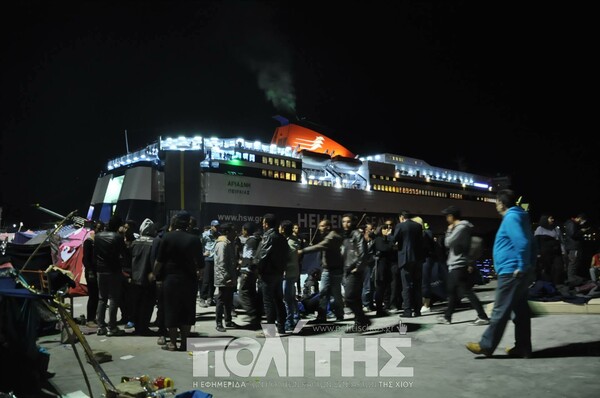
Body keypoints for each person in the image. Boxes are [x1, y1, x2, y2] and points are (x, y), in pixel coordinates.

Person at [466, 189, 534, 358]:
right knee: (521, 312)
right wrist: (529, 266)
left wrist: (522, 265)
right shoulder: (521, 216)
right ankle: (523, 348)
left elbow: (523, 243)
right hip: (518, 271)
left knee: (500, 310)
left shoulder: (511, 217)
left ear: (501, 203)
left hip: (511, 272)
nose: (495, 205)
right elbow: (532, 243)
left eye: (496, 202)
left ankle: (486, 345)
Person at [151, 211, 204, 351]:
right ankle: (185, 343)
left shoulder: (167, 237)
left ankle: (173, 343)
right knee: (187, 310)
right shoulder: (194, 239)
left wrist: (154, 274)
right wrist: (198, 276)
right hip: (189, 280)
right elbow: (201, 265)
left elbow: (159, 261)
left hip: (171, 280)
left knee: (171, 309)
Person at [436, 206, 489, 325]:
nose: (446, 219)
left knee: (465, 291)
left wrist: (449, 230)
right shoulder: (461, 227)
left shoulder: (461, 228)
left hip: (458, 264)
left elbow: (448, 242)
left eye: (447, 216)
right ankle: (447, 317)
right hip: (457, 264)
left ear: (451, 216)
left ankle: (482, 316)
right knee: (453, 291)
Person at [299, 219, 345, 323]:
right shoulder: (329, 236)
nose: (319, 228)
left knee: (335, 294)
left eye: (322, 226)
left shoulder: (332, 237)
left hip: (333, 271)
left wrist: (303, 251)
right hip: (327, 270)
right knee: (324, 293)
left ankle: (338, 315)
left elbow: (319, 246)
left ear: (328, 227)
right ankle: (322, 316)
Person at [254, 213, 288, 336]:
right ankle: (282, 327)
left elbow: (262, 256)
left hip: (268, 274)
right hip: (279, 273)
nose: (262, 225)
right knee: (279, 300)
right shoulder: (282, 238)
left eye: (263, 222)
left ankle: (270, 331)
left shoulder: (268, 237)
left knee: (268, 302)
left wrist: (256, 267)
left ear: (267, 224)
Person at [94, 215, 128, 336]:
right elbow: (124, 253)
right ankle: (112, 327)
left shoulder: (97, 236)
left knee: (102, 298)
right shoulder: (117, 237)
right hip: (114, 270)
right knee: (113, 298)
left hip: (100, 270)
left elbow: (95, 254)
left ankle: (100, 326)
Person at [392, 210, 424, 318]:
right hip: (418, 258)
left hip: (405, 259)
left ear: (401, 217)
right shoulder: (418, 226)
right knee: (417, 285)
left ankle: (407, 310)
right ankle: (417, 310)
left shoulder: (400, 226)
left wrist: (388, 236)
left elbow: (394, 239)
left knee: (406, 286)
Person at [341, 214, 370, 332]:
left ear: (353, 222)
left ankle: (363, 320)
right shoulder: (345, 236)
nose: (345, 224)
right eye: (343, 222)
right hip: (346, 270)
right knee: (356, 298)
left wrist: (357, 268)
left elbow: (363, 252)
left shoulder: (357, 234)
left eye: (348, 222)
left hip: (354, 270)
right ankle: (359, 323)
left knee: (349, 297)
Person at [214, 223, 238, 332]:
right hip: (224, 277)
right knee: (221, 299)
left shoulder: (228, 243)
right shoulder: (222, 244)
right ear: (227, 232)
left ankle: (228, 320)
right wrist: (226, 277)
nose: (235, 234)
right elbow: (220, 263)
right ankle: (219, 322)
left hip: (229, 276)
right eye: (233, 231)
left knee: (228, 299)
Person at [82, 221, 104, 327]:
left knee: (97, 296)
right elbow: (85, 259)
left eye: (101, 229)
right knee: (93, 296)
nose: (99, 231)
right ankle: (90, 319)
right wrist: (90, 271)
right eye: (98, 229)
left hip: (99, 272)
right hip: (91, 272)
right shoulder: (89, 242)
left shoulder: (99, 241)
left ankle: (94, 318)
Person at [280, 220, 301, 332]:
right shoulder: (291, 241)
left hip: (288, 274)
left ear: (283, 229)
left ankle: (290, 322)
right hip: (291, 273)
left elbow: (289, 259)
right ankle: (296, 316)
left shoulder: (290, 243)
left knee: (287, 298)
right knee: (291, 297)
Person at [534, 214, 565, 286]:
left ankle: (557, 284)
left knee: (558, 268)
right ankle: (548, 285)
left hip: (557, 253)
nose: (552, 220)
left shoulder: (556, 229)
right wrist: (537, 253)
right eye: (550, 218)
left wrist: (563, 251)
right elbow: (536, 242)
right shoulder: (539, 229)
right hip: (545, 254)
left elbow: (561, 241)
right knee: (547, 270)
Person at [564, 213, 590, 285]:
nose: (583, 222)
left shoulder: (573, 224)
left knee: (574, 263)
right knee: (573, 263)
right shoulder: (571, 223)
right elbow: (573, 234)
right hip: (573, 247)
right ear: (580, 218)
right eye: (583, 220)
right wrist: (582, 231)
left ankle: (573, 279)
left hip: (574, 247)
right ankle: (572, 280)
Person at [200, 220, 220, 307]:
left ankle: (210, 298)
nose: (216, 228)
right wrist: (203, 254)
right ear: (211, 226)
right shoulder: (205, 235)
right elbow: (199, 246)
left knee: (214, 280)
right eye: (215, 226)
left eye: (217, 226)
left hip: (216, 260)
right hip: (208, 259)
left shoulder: (219, 235)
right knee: (206, 280)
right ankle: (202, 298)